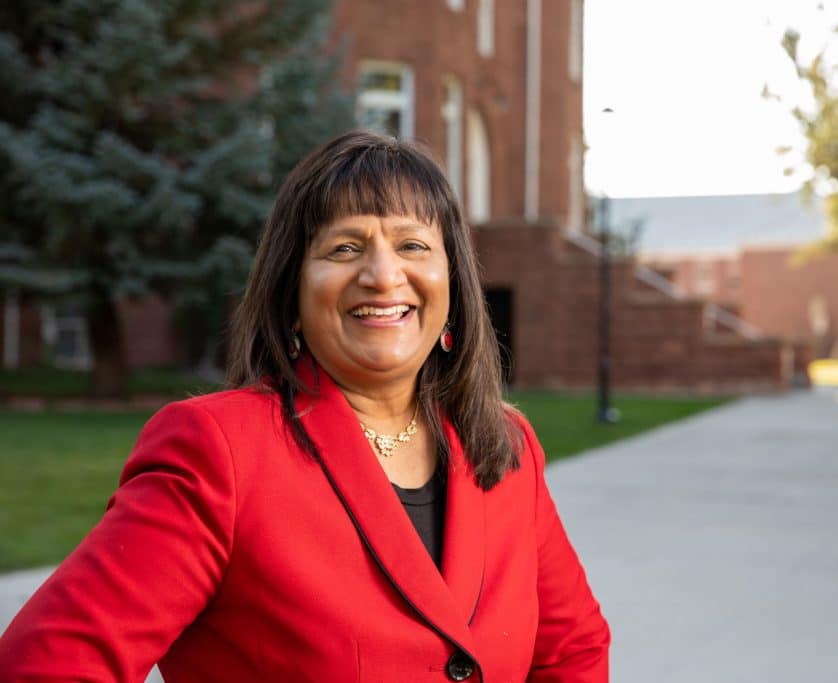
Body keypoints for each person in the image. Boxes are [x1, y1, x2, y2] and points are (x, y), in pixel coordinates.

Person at [0, 130, 610, 681]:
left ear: (453, 284)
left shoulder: (505, 444)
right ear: (292, 292)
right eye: (346, 248)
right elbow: (45, 666)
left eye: (413, 245)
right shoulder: (221, 451)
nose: (382, 274)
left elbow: (572, 653)